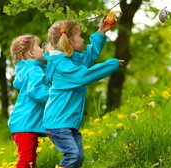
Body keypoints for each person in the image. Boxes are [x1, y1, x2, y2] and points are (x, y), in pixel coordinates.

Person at [43, 17, 124, 168]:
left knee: (78, 158)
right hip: (58, 123)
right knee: (73, 155)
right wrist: (111, 64)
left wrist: (101, 33)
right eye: (79, 37)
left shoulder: (70, 60)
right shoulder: (62, 66)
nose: (82, 40)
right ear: (69, 42)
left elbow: (87, 57)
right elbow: (83, 76)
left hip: (66, 122)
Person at [8, 34, 50, 168]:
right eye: (39, 46)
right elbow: (35, 91)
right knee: (26, 159)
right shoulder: (33, 69)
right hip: (25, 123)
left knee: (31, 158)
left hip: (23, 123)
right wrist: (54, 94)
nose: (42, 49)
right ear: (31, 53)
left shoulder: (27, 69)